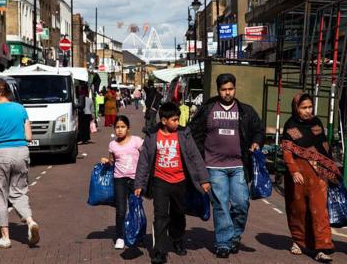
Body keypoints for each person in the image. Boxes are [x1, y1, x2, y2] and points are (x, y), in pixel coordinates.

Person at [189, 73, 265, 258]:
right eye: (224, 90)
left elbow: (258, 130)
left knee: (241, 204)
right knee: (221, 205)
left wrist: (256, 142)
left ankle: (234, 236)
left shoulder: (245, 111)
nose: (227, 93)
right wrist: (201, 156)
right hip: (214, 167)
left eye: (230, 89)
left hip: (239, 165)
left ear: (235, 89)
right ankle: (223, 242)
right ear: (218, 90)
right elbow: (194, 132)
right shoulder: (207, 109)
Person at [134, 102, 210, 264]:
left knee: (178, 214)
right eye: (174, 120)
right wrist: (139, 184)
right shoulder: (152, 136)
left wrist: (203, 179)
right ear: (163, 120)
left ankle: (177, 238)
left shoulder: (184, 134)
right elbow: (144, 161)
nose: (178, 123)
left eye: (178, 119)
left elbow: (195, 157)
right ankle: (159, 251)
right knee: (160, 216)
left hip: (180, 181)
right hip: (160, 181)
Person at [281, 92, 341, 262]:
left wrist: (327, 172)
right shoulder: (290, 125)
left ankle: (322, 248)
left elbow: (323, 147)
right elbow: (286, 151)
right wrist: (294, 171)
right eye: (303, 108)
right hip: (298, 177)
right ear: (296, 108)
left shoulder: (316, 123)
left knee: (319, 211)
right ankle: (298, 242)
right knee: (298, 210)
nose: (308, 111)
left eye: (310, 107)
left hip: (319, 176)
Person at [0, 80, 40, 249]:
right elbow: (29, 136)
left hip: (1, 153)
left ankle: (5, 237)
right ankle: (30, 221)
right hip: (21, 152)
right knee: (18, 192)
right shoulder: (20, 108)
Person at [101, 116, 143, 250]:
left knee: (135, 209)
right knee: (121, 210)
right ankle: (120, 236)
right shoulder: (112, 145)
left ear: (128, 128)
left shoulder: (137, 141)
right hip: (119, 180)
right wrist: (106, 161)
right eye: (117, 127)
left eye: (122, 127)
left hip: (135, 180)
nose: (119, 130)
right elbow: (112, 161)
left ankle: (137, 235)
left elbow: (145, 158)